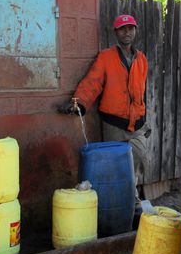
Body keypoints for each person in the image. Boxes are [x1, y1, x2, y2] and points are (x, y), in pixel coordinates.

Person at [60, 14, 150, 183]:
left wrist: (144, 117)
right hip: (113, 124)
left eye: (130, 28)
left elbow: (142, 91)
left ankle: (132, 199)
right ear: (116, 32)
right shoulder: (106, 57)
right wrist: (78, 103)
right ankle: (120, 202)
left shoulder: (142, 59)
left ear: (135, 31)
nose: (127, 32)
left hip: (137, 124)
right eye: (122, 29)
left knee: (137, 162)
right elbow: (92, 82)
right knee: (115, 166)